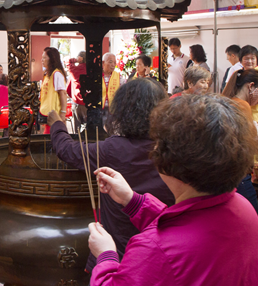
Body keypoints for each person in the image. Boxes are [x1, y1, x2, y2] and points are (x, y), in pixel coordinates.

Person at [88, 94, 258, 286]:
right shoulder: (243, 209)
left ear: (171, 158)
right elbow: (187, 227)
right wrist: (132, 200)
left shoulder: (154, 250)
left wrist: (106, 255)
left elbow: (174, 242)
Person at [48, 78, 174, 272]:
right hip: (164, 254)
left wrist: (57, 125)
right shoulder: (173, 151)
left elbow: (67, 150)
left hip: (119, 255)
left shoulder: (113, 149)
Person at [221, 68, 258, 214]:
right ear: (251, 86)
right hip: (239, 172)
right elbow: (250, 139)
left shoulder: (227, 102)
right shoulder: (242, 105)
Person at [39, 47, 67, 134]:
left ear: (51, 59)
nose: (42, 60)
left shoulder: (57, 74)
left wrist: (63, 112)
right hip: (47, 112)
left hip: (55, 114)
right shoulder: (47, 74)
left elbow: (63, 94)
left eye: (44, 58)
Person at [67, 51, 86, 130]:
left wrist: (74, 60)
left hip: (76, 102)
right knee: (87, 126)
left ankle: (77, 142)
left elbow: (68, 89)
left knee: (77, 129)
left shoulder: (74, 70)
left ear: (80, 58)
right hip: (87, 103)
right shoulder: (91, 70)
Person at [101, 52, 121, 129]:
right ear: (103, 63)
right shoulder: (97, 76)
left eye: (115, 62)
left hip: (112, 110)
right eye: (110, 62)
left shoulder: (119, 77)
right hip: (99, 109)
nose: (113, 65)